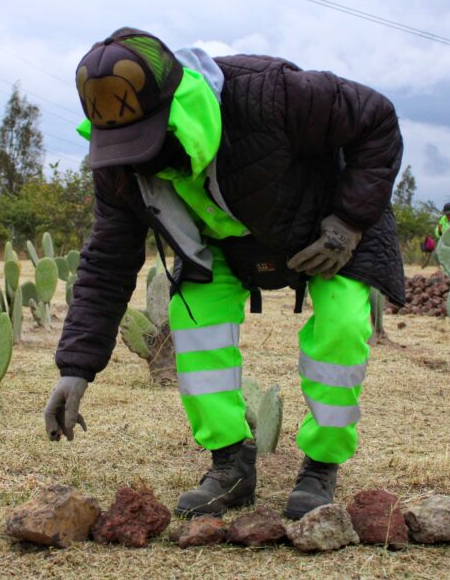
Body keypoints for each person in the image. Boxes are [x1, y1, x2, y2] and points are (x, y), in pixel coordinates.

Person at [44, 28, 404, 520]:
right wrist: (76, 367)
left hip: (327, 223)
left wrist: (348, 222)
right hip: (220, 243)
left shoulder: (270, 92)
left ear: (179, 107)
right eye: (125, 145)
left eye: (147, 139)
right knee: (195, 323)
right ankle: (230, 462)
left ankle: (322, 464)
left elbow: (377, 119)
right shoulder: (119, 165)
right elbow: (107, 260)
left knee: (342, 327)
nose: (142, 159)